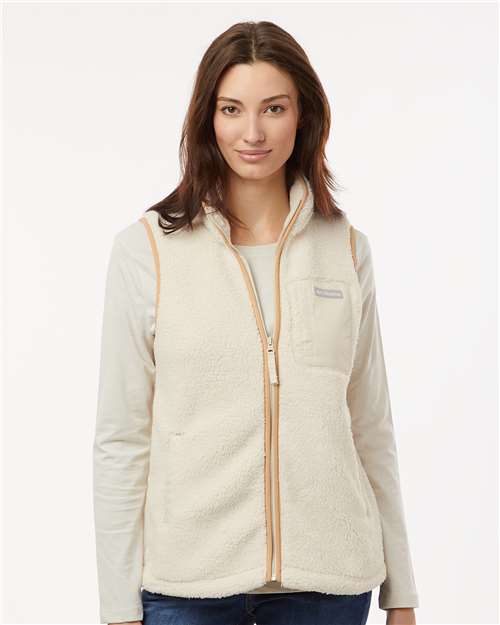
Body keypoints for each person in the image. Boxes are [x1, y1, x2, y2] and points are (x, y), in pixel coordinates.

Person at [93, 20, 419, 625]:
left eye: (273, 108)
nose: (252, 133)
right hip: (186, 589)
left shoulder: (346, 250)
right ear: (207, 119)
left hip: (330, 586)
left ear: (303, 115)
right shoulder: (147, 251)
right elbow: (122, 438)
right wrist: (118, 607)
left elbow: (371, 424)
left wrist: (402, 592)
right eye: (231, 109)